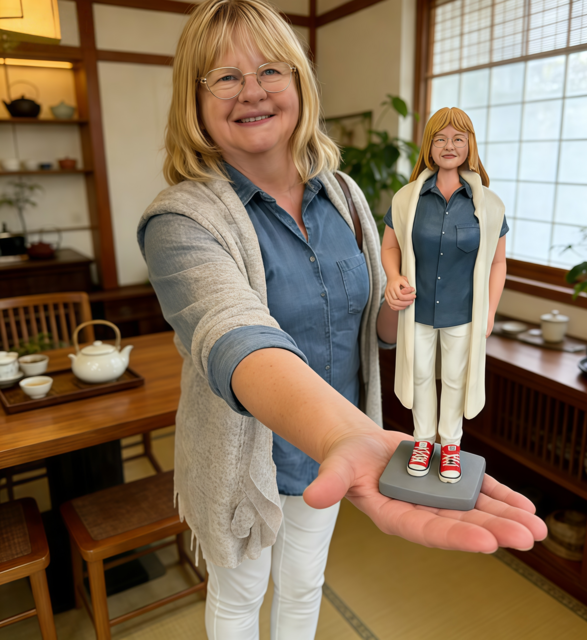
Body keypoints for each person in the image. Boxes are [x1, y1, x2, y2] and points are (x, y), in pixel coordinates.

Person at [137, 2, 546, 638]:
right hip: (251, 460)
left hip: (336, 455)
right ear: (194, 99)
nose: (253, 91)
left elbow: (376, 331)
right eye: (225, 76)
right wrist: (343, 435)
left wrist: (407, 305)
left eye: (271, 70)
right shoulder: (180, 220)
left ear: (300, 82)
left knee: (305, 586)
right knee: (241, 598)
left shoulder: (345, 196)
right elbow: (234, 333)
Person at [381, 107, 508, 483]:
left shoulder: (489, 205)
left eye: (458, 138)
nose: (449, 145)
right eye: (440, 138)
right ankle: (422, 441)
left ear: (470, 145)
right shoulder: (407, 199)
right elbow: (390, 247)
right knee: (420, 374)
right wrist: (393, 277)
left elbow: (498, 262)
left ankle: (451, 445)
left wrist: (490, 312)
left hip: (463, 312)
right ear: (428, 146)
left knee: (455, 379)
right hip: (417, 309)